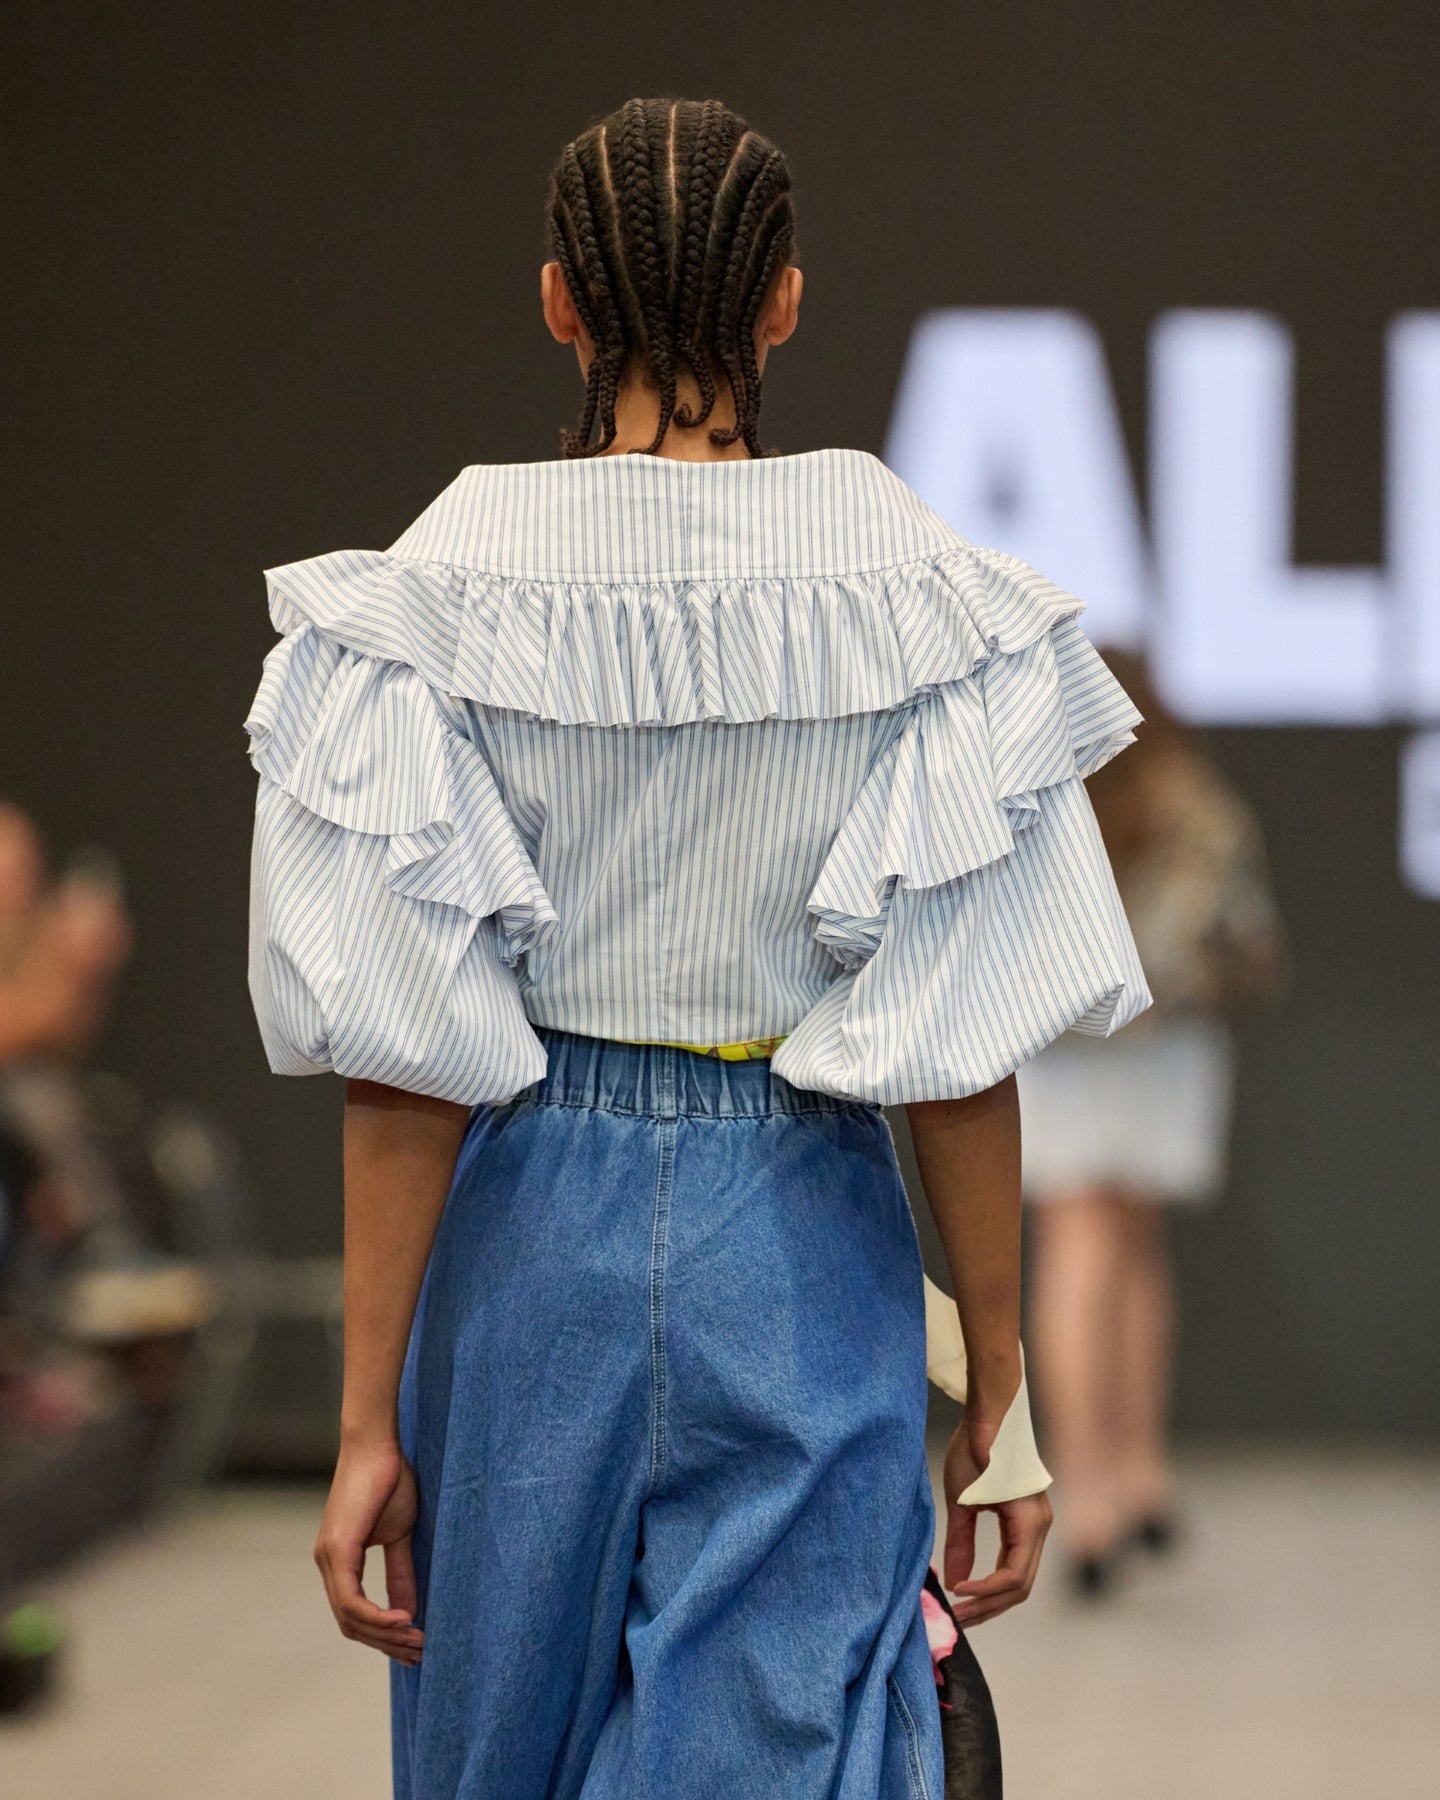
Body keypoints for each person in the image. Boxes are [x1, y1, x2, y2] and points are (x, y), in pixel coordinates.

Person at [244, 97, 1151, 1800]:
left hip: (528, 1237)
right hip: (800, 1223)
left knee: (499, 1759)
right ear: (784, 303)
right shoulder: (913, 583)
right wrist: (1003, 1393)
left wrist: (366, 1422)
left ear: (558, 302)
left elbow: (401, 1060)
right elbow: (954, 1049)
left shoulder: (442, 578)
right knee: (789, 1753)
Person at [1019, 651, 1286, 1597]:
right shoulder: (1197, 806)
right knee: (1127, 1242)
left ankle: (1094, 1489)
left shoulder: (1032, 796)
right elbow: (1243, 942)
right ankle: (1131, 1475)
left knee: (1082, 1244)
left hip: (1059, 1051)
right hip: (1160, 1048)